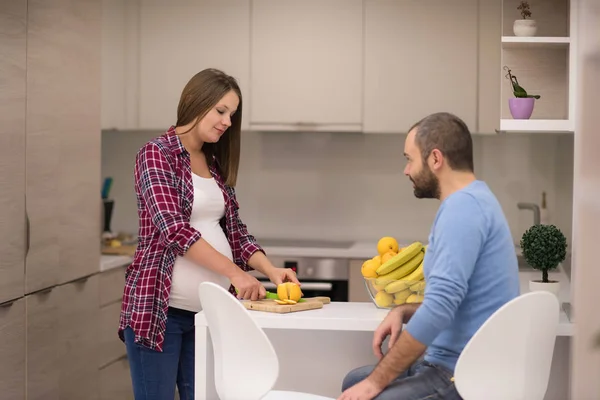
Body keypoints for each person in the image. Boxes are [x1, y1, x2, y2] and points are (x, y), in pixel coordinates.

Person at [118, 68, 301, 400]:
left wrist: (270, 270)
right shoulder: (157, 154)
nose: (228, 121)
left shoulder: (213, 162)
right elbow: (174, 230)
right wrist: (235, 273)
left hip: (208, 315)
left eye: (232, 114)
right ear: (195, 102)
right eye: (221, 110)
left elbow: (236, 232)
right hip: (160, 311)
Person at [338, 112, 520, 400]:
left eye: (410, 159)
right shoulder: (474, 200)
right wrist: (403, 311)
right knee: (353, 381)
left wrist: (376, 383)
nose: (406, 170)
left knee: (367, 390)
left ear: (435, 159)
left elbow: (441, 307)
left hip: (461, 373)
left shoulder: (463, 210)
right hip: (453, 362)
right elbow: (454, 301)